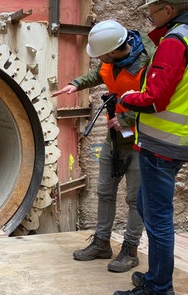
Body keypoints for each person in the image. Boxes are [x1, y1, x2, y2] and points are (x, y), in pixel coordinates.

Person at [52, 20, 155, 272]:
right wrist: (76, 84)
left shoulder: (150, 63)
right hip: (115, 138)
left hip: (140, 139)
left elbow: (157, 99)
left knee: (135, 199)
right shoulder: (111, 58)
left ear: (114, 49)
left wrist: (127, 120)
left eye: (101, 55)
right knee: (105, 192)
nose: (100, 59)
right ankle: (101, 243)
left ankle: (130, 250)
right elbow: (100, 75)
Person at [112, 0, 188, 295]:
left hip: (162, 144)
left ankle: (158, 291)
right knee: (146, 205)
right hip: (172, 140)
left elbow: (155, 98)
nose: (148, 16)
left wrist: (126, 97)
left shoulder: (174, 40)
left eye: (152, 10)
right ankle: (158, 276)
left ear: (168, 10)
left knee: (158, 219)